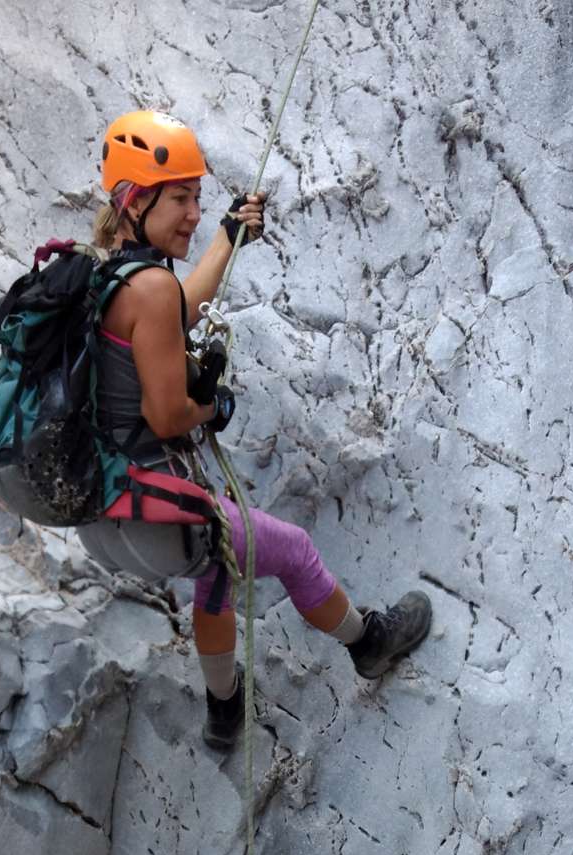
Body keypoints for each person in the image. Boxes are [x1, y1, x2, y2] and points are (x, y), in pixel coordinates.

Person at [79, 109, 432, 749]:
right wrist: (213, 407)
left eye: (197, 199)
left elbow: (176, 315)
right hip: (157, 520)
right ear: (136, 200)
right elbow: (167, 415)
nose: (192, 213)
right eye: (180, 198)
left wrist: (226, 237)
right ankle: (369, 643)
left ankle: (224, 711)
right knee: (291, 550)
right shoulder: (151, 287)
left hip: (104, 520)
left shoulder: (107, 273)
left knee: (217, 569)